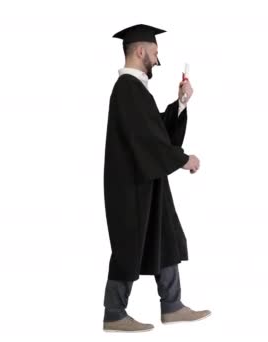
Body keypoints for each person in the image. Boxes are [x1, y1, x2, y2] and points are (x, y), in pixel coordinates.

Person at [102, 24, 211, 333]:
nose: (157, 58)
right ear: (140, 51)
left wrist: (180, 104)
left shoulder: (135, 89)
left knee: (163, 235)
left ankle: (172, 305)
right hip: (130, 186)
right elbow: (148, 141)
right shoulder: (127, 88)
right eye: (154, 51)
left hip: (145, 182)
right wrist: (183, 159)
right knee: (129, 245)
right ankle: (113, 312)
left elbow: (156, 130)